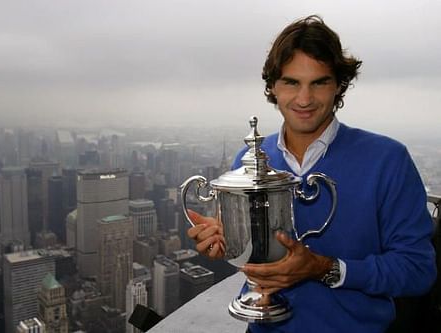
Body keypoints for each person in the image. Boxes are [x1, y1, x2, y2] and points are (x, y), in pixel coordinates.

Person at [186, 15, 436, 333]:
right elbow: (258, 261)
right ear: (272, 87)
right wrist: (227, 242)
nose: (304, 99)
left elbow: (418, 270)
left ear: (339, 86)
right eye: (291, 82)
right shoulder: (248, 162)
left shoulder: (387, 160)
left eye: (319, 82)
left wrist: (324, 268)